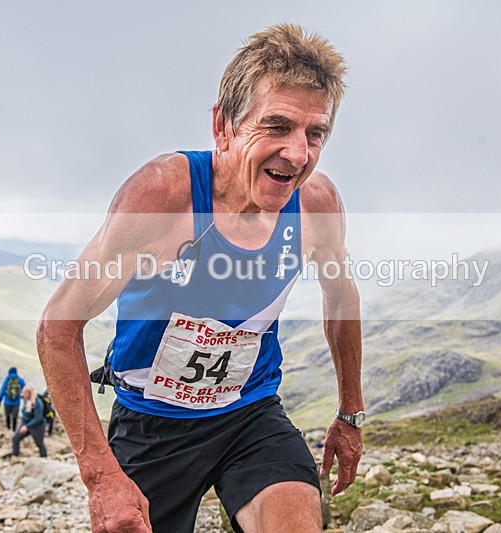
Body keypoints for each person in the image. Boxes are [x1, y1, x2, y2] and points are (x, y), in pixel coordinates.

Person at [37, 24, 363, 533]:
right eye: (276, 126)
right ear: (223, 126)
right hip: (152, 424)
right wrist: (101, 477)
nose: (298, 154)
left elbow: (341, 298)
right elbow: (56, 329)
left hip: (250, 413)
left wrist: (350, 412)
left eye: (314, 134)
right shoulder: (163, 197)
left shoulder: (316, 207)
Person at [11, 385, 48, 457]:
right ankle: (15, 456)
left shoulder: (38, 402)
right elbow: (25, 413)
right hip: (25, 423)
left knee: (39, 443)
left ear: (29, 393)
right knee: (15, 438)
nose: (22, 394)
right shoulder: (26, 401)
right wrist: (23, 424)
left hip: (38, 426)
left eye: (24, 393)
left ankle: (44, 458)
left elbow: (38, 418)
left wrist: (27, 427)